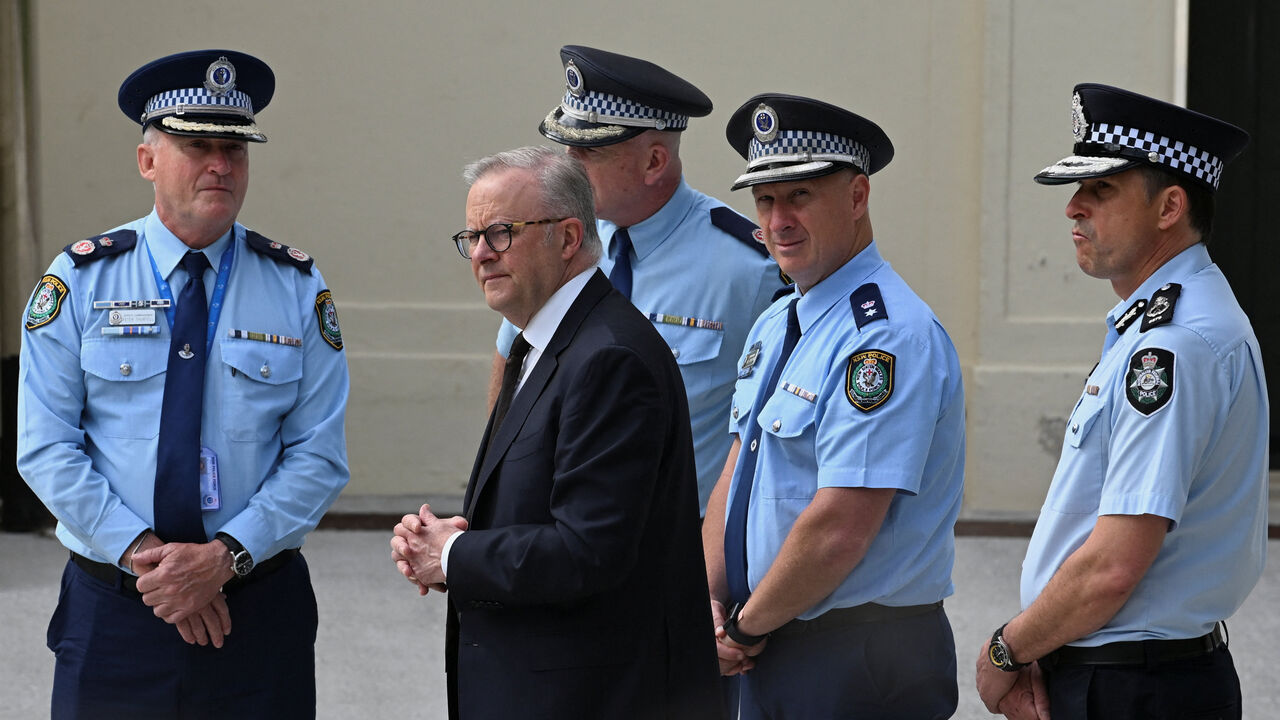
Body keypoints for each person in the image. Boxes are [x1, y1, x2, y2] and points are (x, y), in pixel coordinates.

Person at [17, 49, 349, 718]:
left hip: (254, 609)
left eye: (234, 148)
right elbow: (46, 445)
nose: (221, 164)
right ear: (147, 162)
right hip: (117, 611)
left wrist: (223, 559)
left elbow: (318, 456)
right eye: (197, 144)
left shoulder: (296, 286)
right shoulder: (80, 281)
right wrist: (151, 560)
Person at [390, 146, 722, 720]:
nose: (480, 255)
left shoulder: (608, 357)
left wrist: (454, 555)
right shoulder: (542, 343)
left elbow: (589, 548)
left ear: (569, 238)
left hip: (594, 697)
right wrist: (446, 543)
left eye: (500, 233)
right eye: (470, 238)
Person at [975, 84, 1267, 720]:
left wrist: (1005, 651)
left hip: (1133, 689)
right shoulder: (1165, 326)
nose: (1074, 208)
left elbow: (1112, 566)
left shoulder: (1173, 347)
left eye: (1101, 189)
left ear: (1169, 207)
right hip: (1131, 678)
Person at [702, 93, 965, 719]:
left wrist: (741, 630)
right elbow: (737, 470)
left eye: (800, 196)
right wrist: (704, 602)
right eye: (765, 201)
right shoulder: (778, 320)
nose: (778, 220)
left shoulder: (885, 336)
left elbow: (841, 526)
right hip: (770, 639)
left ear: (857, 197)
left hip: (858, 655)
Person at [490, 45, 782, 514]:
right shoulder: (558, 242)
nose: (567, 167)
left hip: (675, 544)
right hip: (557, 533)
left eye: (587, 152)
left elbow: (770, 429)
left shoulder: (749, 270)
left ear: (654, 163)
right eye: (566, 149)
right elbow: (512, 362)